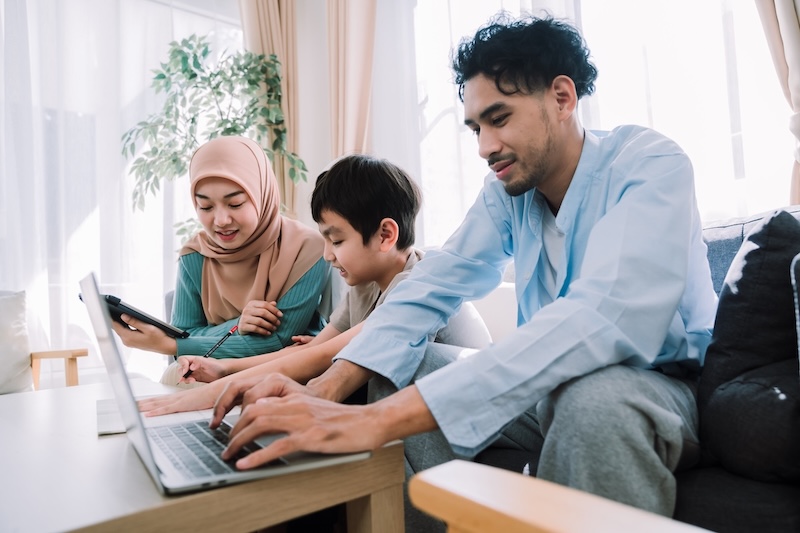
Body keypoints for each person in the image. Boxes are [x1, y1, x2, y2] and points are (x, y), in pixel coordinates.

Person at [210, 14, 719, 530]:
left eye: (499, 119)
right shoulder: (507, 194)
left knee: (593, 401)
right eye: (476, 127)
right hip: (549, 390)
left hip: (655, 386)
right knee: (410, 362)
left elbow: (603, 316)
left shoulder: (650, 164)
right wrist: (328, 387)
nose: (484, 146)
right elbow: (434, 284)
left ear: (562, 98)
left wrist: (373, 421)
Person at [138, 154, 491, 416]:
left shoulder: (413, 288)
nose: (327, 255)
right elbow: (307, 352)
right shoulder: (365, 286)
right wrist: (223, 369)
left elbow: (320, 358)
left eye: (336, 241)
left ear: (386, 235)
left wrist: (191, 400)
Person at [112, 135, 329, 363]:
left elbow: (278, 341)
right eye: (205, 206)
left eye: (235, 204)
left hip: (283, 370)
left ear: (261, 194)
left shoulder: (306, 250)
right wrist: (237, 325)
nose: (221, 220)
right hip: (206, 368)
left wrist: (175, 344)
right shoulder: (195, 254)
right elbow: (183, 332)